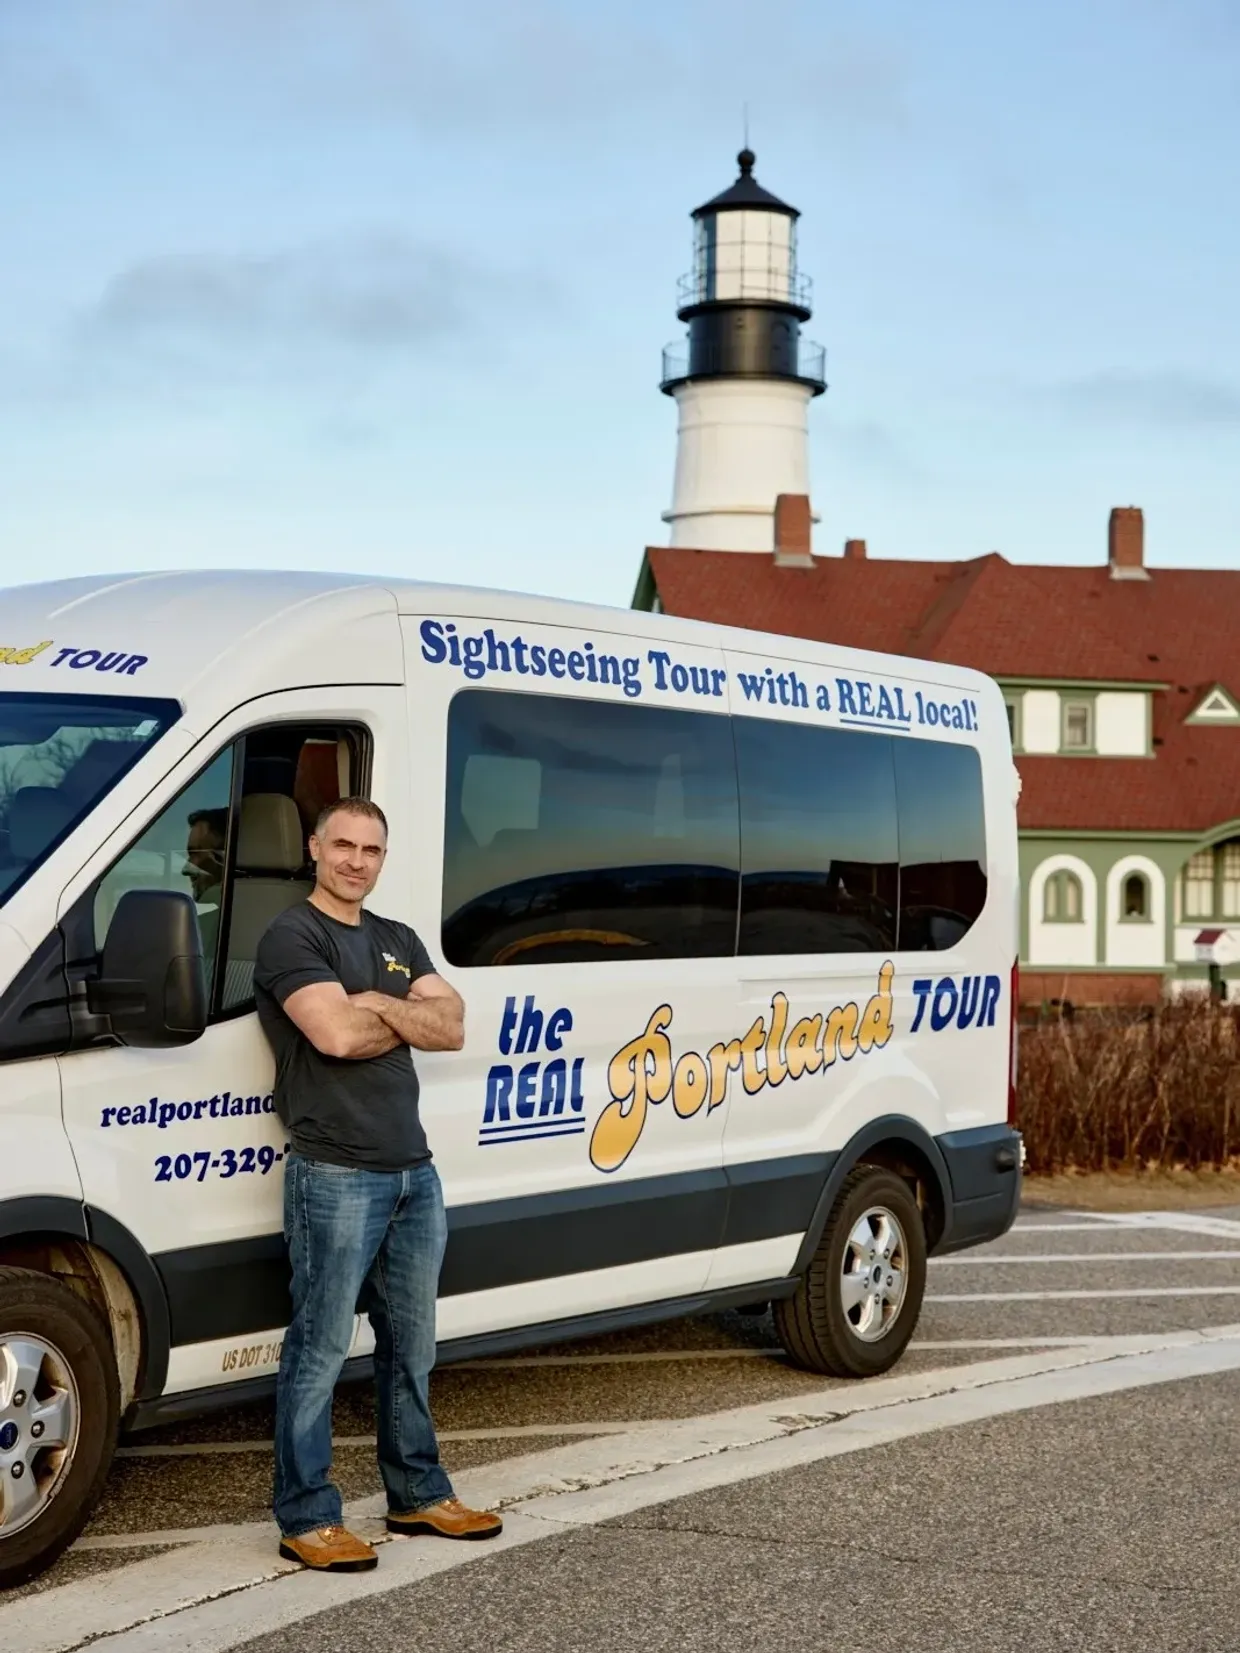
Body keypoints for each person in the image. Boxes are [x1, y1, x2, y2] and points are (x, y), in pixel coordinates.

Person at [253, 795, 502, 1572]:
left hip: (412, 1174)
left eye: (371, 849)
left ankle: (418, 1492)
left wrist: (375, 1003)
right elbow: (330, 1033)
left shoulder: (395, 938)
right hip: (334, 1171)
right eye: (343, 845)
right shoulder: (293, 933)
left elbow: (455, 1024)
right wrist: (401, 1014)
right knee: (320, 1346)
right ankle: (306, 1513)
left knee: (411, 1347)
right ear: (316, 849)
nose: (356, 860)